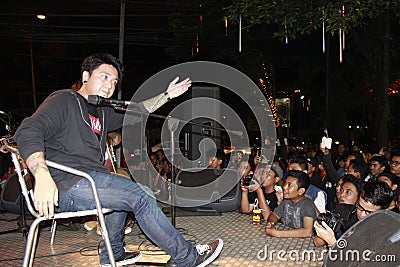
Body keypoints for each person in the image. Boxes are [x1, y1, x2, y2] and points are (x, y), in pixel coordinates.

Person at [13, 53, 223, 267]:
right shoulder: (65, 100)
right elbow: (28, 130)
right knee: (138, 195)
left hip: (90, 181)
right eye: (104, 77)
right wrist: (42, 175)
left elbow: (138, 111)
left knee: (135, 193)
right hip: (65, 185)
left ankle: (112, 253)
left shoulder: (101, 112)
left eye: (114, 81)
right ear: (86, 76)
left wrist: (167, 95)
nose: (109, 85)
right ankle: (187, 257)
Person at [314, 180, 393, 248]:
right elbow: (317, 242)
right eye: (359, 206)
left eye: (369, 212)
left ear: (384, 212)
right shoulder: (344, 211)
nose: (361, 214)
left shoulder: (386, 232)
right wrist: (325, 233)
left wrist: (332, 242)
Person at [265, 170, 316, 238]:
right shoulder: (287, 201)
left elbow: (307, 232)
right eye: (285, 183)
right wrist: (271, 223)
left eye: (290, 185)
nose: (284, 187)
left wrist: (277, 233)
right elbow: (274, 215)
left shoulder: (307, 204)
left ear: (301, 191)